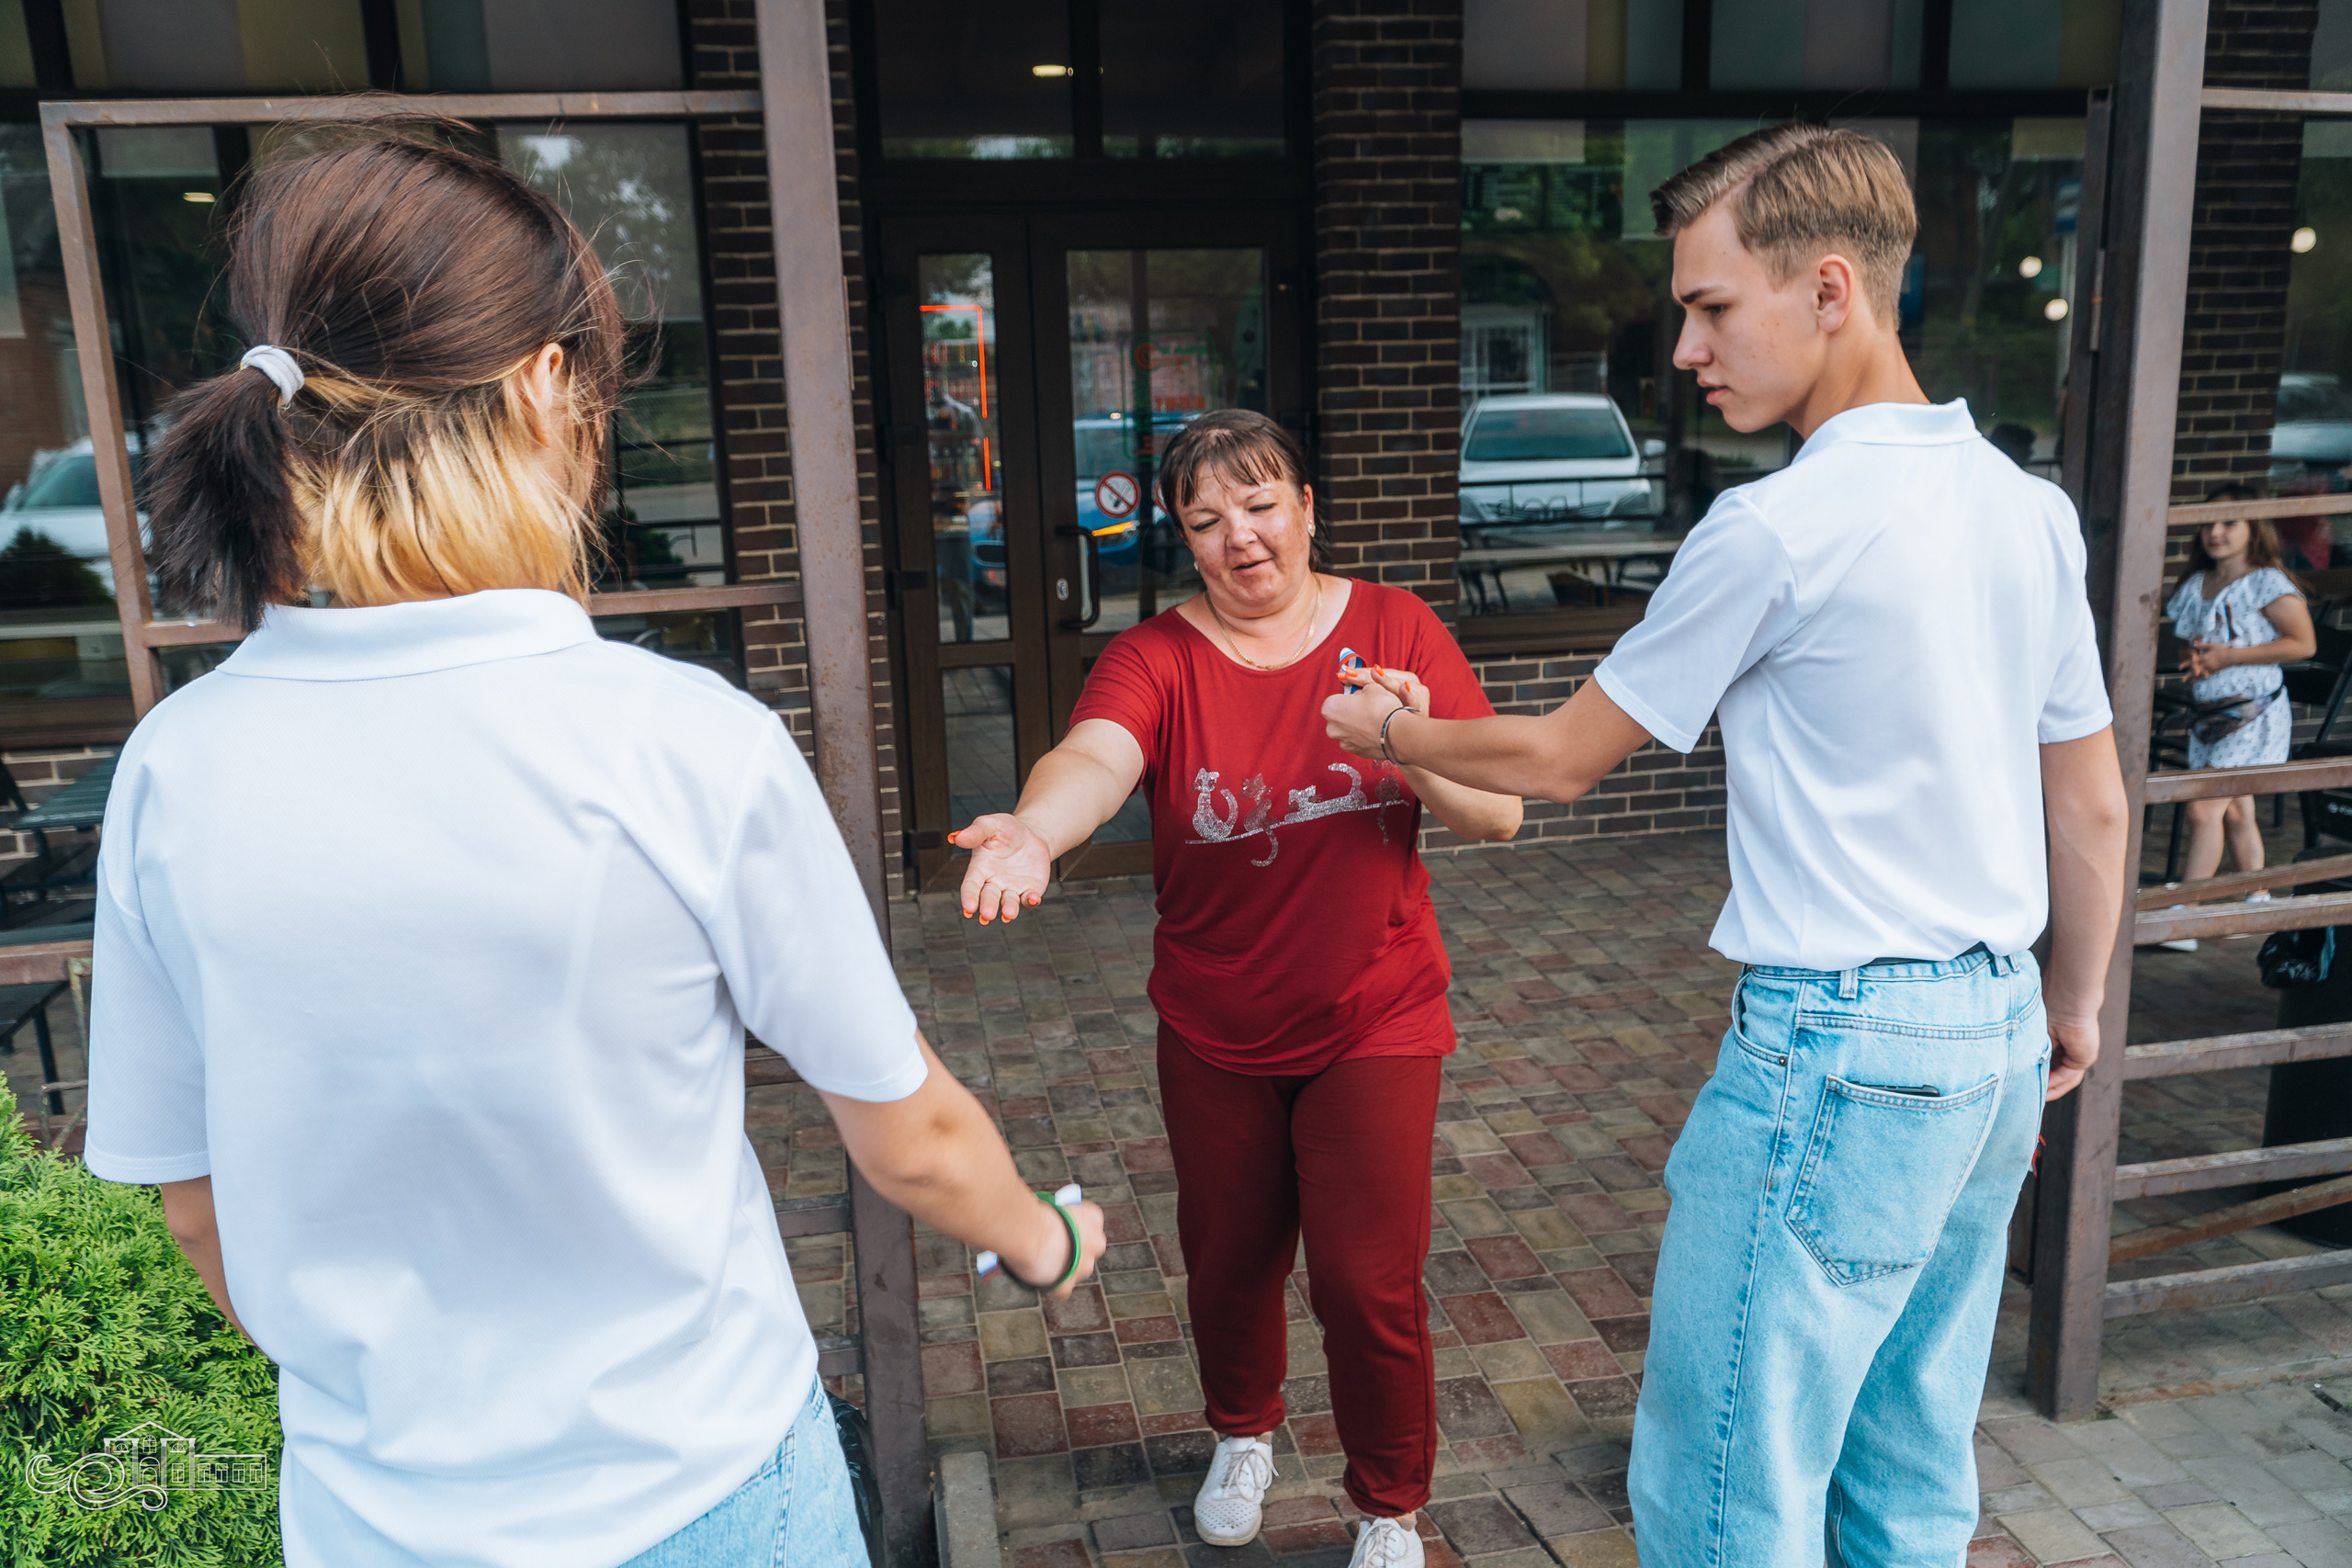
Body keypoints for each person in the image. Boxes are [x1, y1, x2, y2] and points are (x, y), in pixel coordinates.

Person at [80, 131, 1105, 1568]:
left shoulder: (173, 774)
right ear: (545, 384)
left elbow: (200, 1213)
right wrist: (1045, 1238)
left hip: (374, 1523)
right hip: (705, 1498)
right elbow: (915, 1133)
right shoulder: (679, 741)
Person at [1323, 124, 2130, 1567]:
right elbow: (2091, 803)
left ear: (1830, 289)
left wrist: (1393, 736)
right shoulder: (2031, 511)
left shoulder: (1774, 527)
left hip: (1840, 1046)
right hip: (1994, 1030)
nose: (1687, 347)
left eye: (1710, 306)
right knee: (1909, 1464)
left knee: (1723, 1494)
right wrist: (2068, 1006)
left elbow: (1560, 758)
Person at [951, 409, 1521, 1568]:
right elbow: (1096, 757)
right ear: (1183, 538)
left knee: (1367, 1286)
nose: (1240, 538)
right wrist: (1035, 833)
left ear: (1305, 508)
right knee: (1229, 1260)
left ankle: (1387, 1504)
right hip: (1214, 1025)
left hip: (1376, 1016)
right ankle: (1243, 1432)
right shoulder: (1156, 655)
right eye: (1206, 521)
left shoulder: (1391, 629)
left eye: (1260, 507)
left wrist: (1400, 736)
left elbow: (1499, 812)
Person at [2150, 483, 2316, 951]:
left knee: (2204, 807)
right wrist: (2199, 660)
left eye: (2229, 522)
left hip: (2253, 715)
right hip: (2211, 715)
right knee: (2238, 809)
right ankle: (2257, 897)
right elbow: (2190, 640)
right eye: (2208, 522)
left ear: (2253, 527)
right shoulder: (2195, 585)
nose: (2215, 532)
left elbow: (2303, 644)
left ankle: (2186, 913)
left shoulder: (2266, 582)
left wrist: (2230, 658)